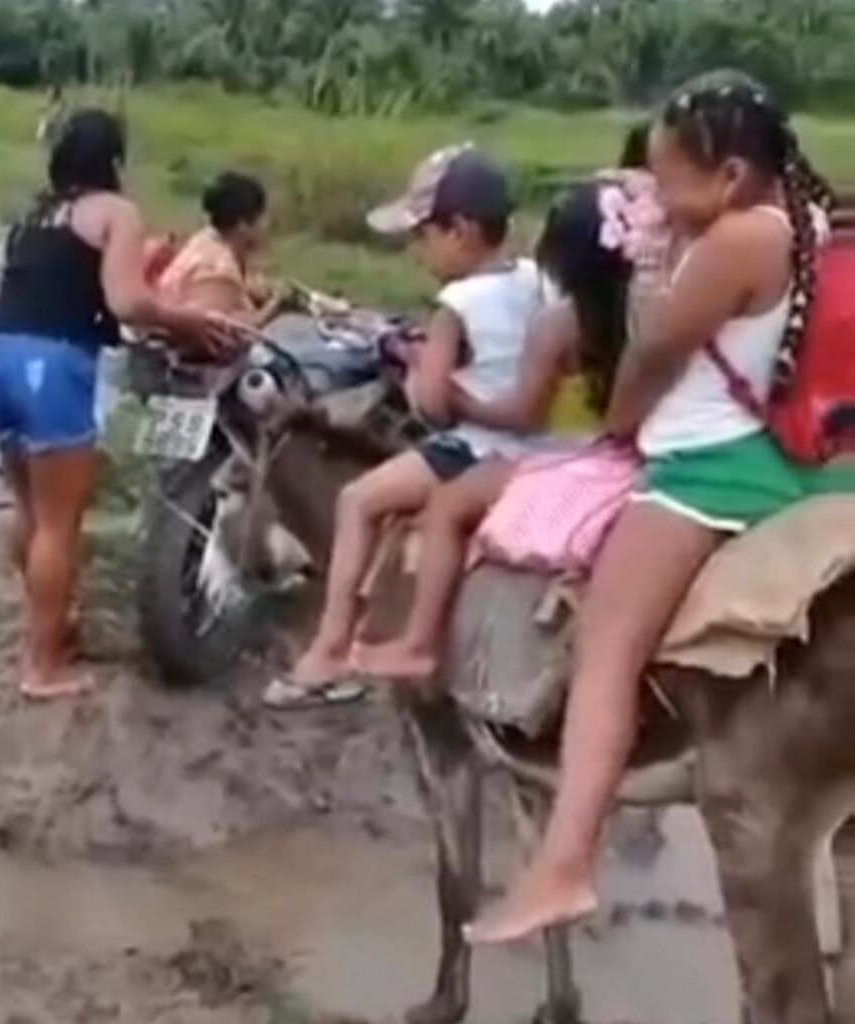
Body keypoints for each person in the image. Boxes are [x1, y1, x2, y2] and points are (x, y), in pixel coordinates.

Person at [463, 72, 855, 945]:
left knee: (606, 642)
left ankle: (565, 862)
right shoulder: (801, 217)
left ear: (729, 176)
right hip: (788, 453)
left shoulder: (731, 244)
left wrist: (619, 424)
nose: (658, 191)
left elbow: (653, 359)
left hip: (711, 470)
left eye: (671, 175)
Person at [264, 144, 545, 709]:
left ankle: (330, 649)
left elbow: (433, 409)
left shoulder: (456, 302)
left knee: (358, 499)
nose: (419, 251)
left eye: (424, 235)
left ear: (460, 230)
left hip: (482, 447)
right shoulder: (536, 278)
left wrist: (416, 364)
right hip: (542, 447)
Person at [0, 109, 235, 701]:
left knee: (32, 512)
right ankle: (42, 667)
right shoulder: (116, 212)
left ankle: (53, 625)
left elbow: (66, 279)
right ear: (114, 161)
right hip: (51, 365)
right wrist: (186, 318)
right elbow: (126, 302)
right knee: (61, 526)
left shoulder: (35, 212)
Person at [354, 180, 640, 681]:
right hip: (623, 451)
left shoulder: (557, 325)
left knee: (447, 507)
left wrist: (459, 397)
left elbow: (523, 415)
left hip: (561, 459)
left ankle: (418, 643)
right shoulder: (646, 314)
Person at [159, 171, 291, 328]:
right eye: (262, 217)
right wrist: (275, 307)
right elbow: (218, 331)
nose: (268, 224)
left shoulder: (206, 239)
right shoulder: (218, 269)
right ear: (243, 225)